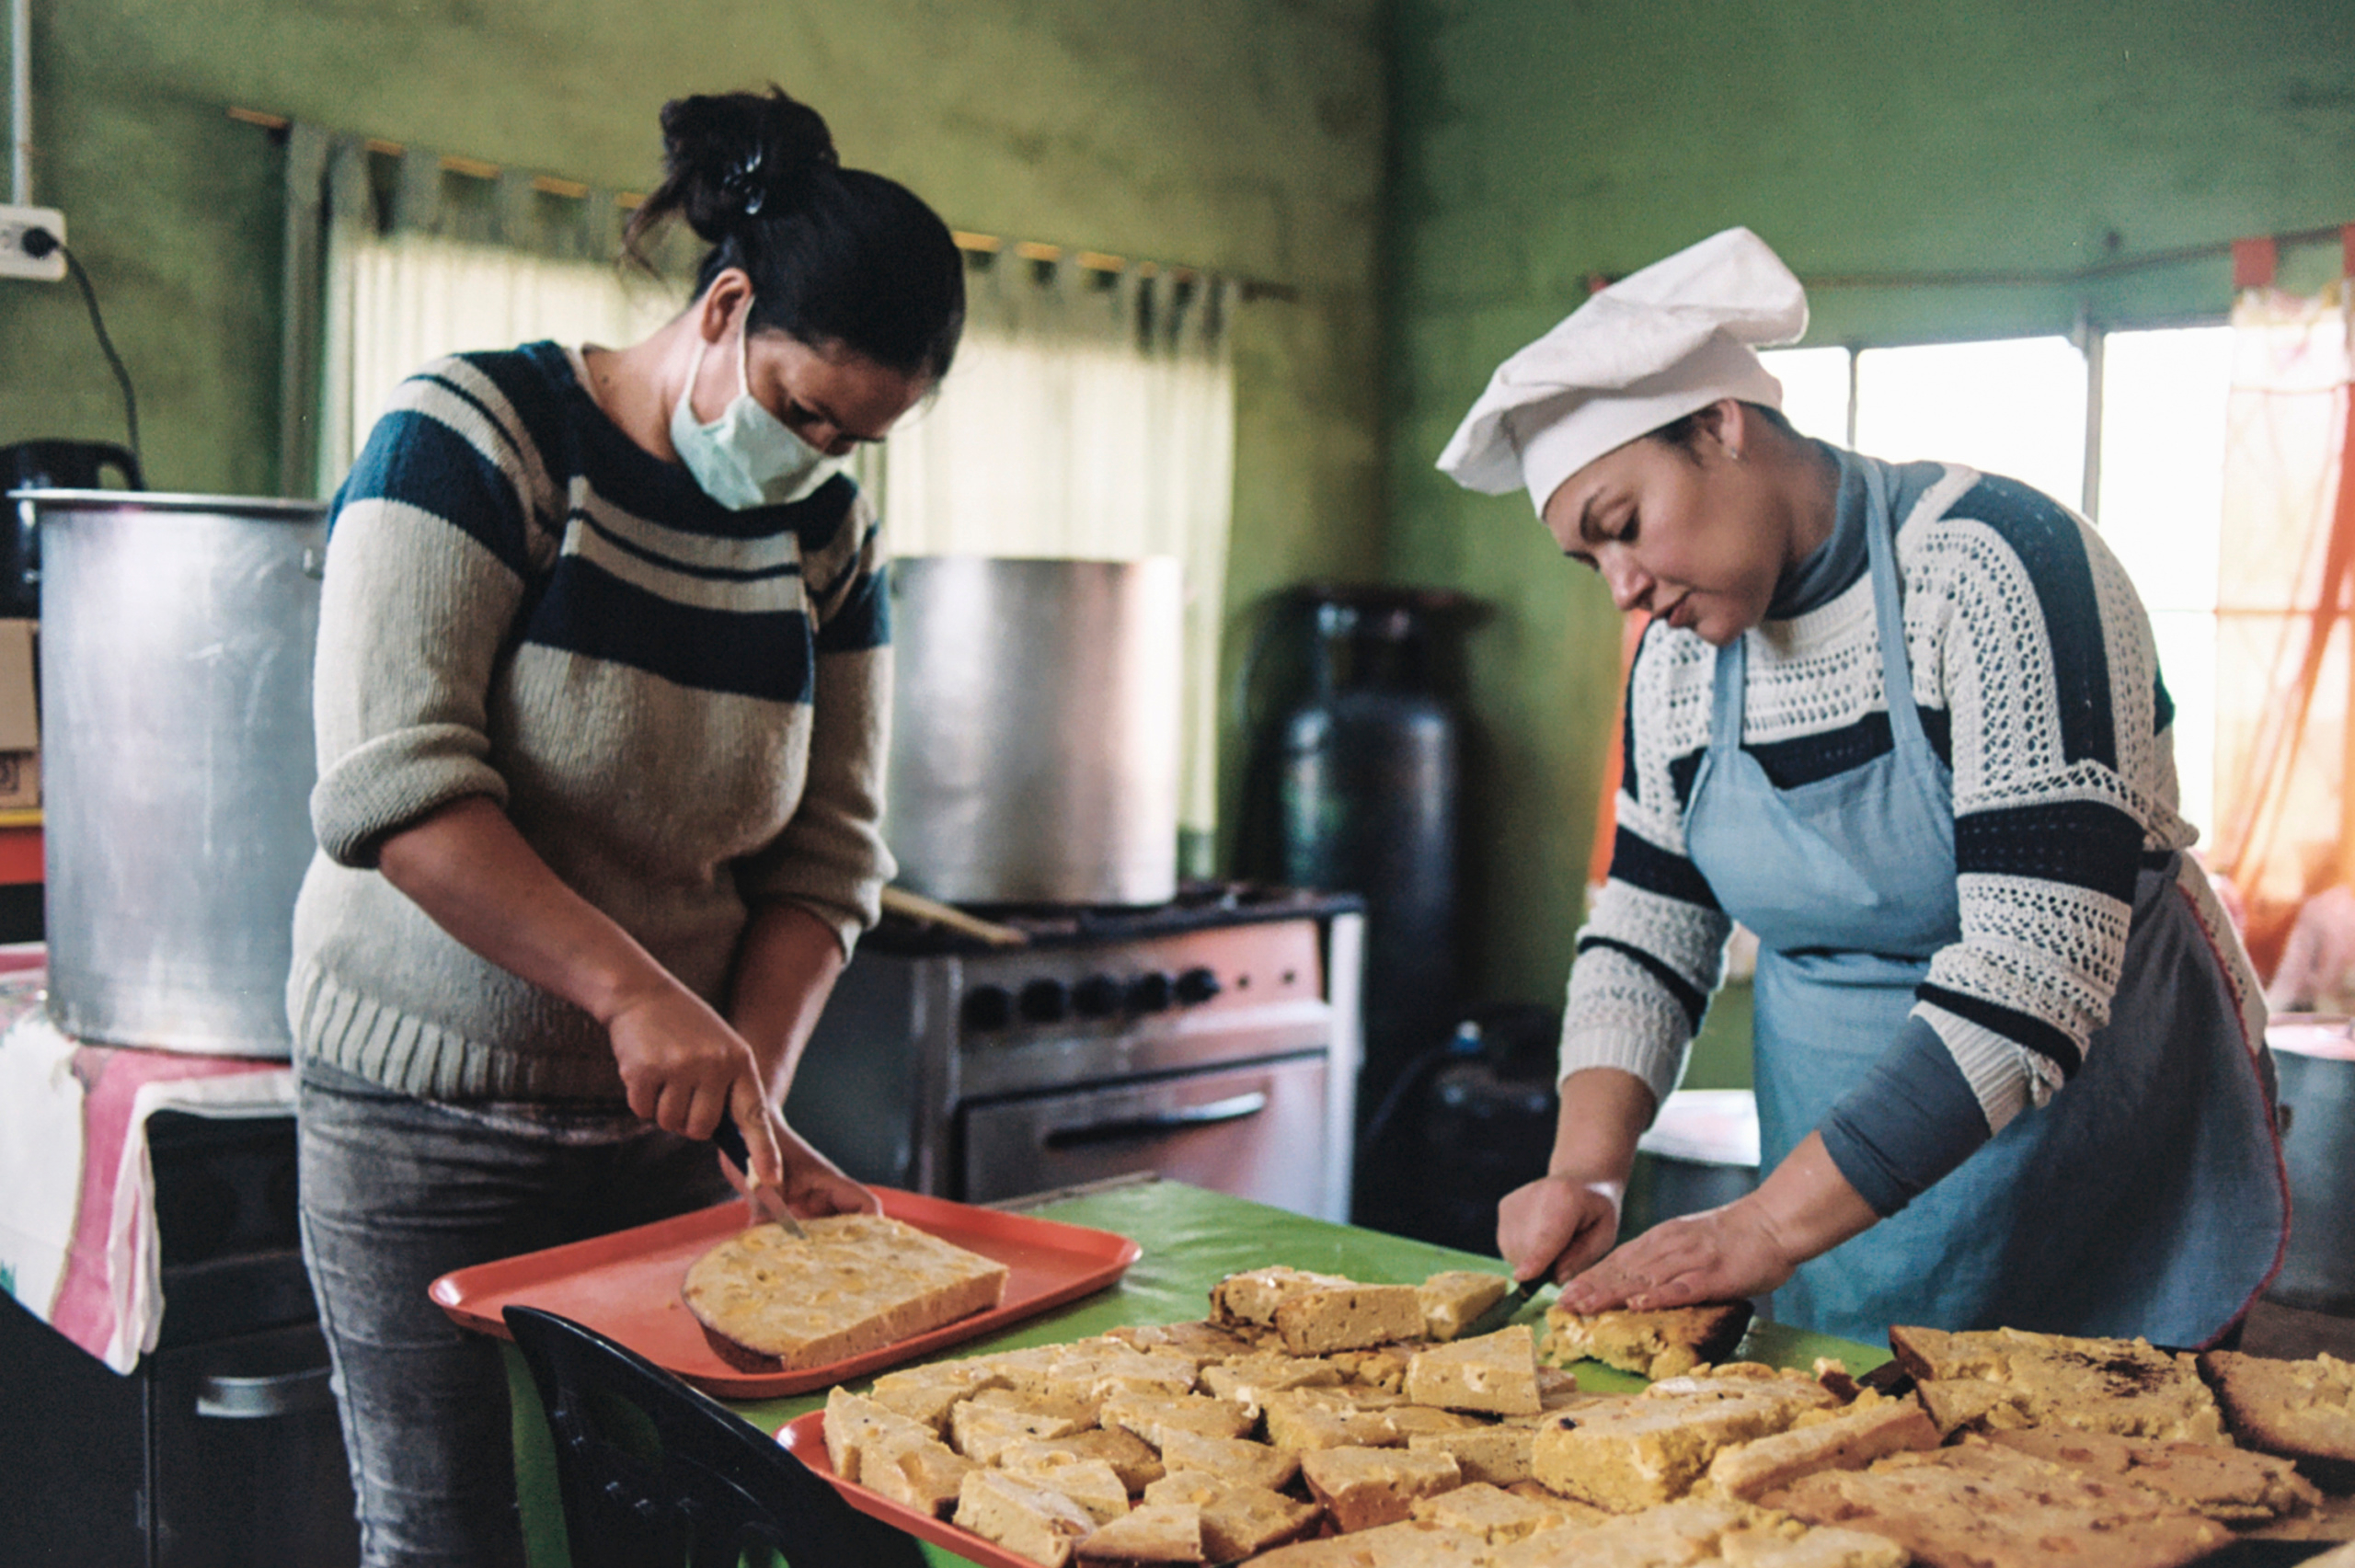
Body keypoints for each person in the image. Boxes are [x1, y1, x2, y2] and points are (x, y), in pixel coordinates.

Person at [288, 86, 964, 1567]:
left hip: (662, 1146)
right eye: (801, 409)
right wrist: (636, 996)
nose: (814, 458)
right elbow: (398, 791)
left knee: (660, 1538)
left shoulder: (828, 540)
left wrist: (755, 1108)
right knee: (451, 1536)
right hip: (427, 1127)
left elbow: (828, 856)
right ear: (724, 306)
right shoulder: (480, 436)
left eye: (854, 439)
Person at [1446, 228, 2286, 1349]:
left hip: (2093, 1185)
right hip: (1842, 1211)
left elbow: (2032, 972)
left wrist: (1767, 1228)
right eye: (1590, 561)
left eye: (1622, 526)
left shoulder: (1999, 568)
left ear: (1720, 425)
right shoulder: (1678, 660)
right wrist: (1588, 1171)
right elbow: (1649, 927)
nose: (1622, 589)